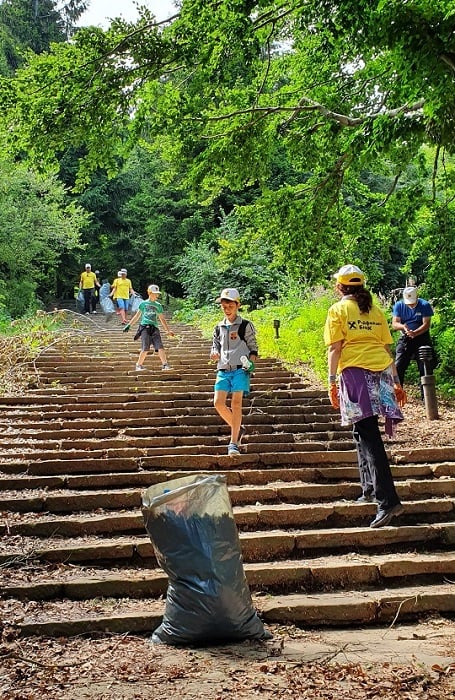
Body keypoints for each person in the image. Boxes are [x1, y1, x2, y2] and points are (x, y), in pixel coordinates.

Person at [324, 264, 407, 528]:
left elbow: (335, 350)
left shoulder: (337, 310)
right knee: (362, 431)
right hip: (381, 371)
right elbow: (385, 348)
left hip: (356, 373)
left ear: (340, 286)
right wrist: (396, 381)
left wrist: (330, 382)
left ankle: (388, 501)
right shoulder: (376, 310)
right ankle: (369, 488)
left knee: (369, 434)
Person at [210, 288, 258, 458]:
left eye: (230, 304)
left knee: (236, 403)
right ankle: (238, 429)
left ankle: (233, 443)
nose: (227, 308)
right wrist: (214, 352)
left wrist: (251, 363)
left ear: (238, 305)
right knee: (218, 403)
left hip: (240, 369)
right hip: (223, 369)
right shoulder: (219, 326)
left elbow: (253, 347)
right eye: (224, 305)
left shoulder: (245, 325)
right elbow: (215, 344)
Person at [392, 286, 435, 390]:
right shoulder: (399, 305)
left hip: (421, 338)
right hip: (405, 337)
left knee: (425, 366)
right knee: (399, 365)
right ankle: (398, 391)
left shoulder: (424, 305)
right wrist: (403, 327)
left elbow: (426, 324)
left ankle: (426, 394)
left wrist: (415, 333)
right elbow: (395, 323)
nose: (410, 304)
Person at [123, 284, 174, 371]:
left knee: (160, 346)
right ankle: (139, 365)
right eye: (155, 293)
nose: (156, 295)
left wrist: (168, 330)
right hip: (144, 328)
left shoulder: (158, 305)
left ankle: (165, 365)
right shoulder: (143, 304)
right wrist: (129, 325)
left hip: (154, 328)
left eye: (157, 294)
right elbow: (137, 316)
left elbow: (162, 319)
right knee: (145, 347)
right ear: (149, 293)